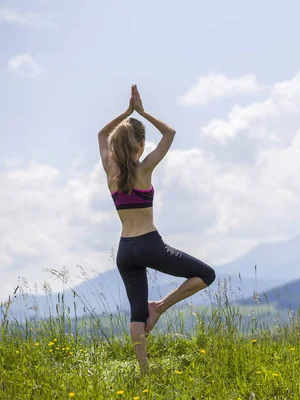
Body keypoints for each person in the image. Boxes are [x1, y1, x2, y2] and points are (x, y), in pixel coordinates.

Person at [97, 85, 216, 374]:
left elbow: (102, 135)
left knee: (136, 313)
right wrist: (141, 111)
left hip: (125, 250)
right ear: (139, 145)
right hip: (150, 244)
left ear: (117, 144)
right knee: (206, 274)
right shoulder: (144, 169)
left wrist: (126, 114)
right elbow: (170, 133)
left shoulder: (110, 170)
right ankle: (160, 307)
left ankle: (145, 371)